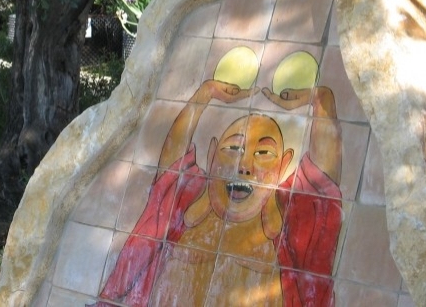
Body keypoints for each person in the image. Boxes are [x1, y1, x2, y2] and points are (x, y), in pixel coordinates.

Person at [94, 72, 343, 306]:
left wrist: (322, 100)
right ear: (212, 154)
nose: (244, 165)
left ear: (283, 165)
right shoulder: (187, 200)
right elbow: (173, 159)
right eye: (233, 149)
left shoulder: (288, 222)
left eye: (264, 153)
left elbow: (321, 182)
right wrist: (205, 93)